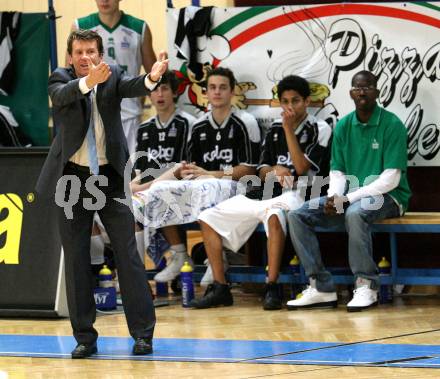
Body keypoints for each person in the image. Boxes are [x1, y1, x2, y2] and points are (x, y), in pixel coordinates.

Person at [36, 29, 168, 358]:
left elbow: (131, 86)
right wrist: (87, 83)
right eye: (79, 52)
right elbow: (62, 96)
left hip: (109, 177)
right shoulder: (60, 79)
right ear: (70, 57)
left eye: (91, 51)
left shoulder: (113, 76)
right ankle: (85, 338)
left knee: (128, 254)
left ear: (100, 54)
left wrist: (151, 79)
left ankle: (142, 334)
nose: (85, 57)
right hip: (72, 179)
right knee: (78, 259)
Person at [190, 75, 332, 310]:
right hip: (266, 191)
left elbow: (301, 167)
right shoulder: (274, 128)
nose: (289, 107)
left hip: (302, 193)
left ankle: (272, 285)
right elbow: (261, 168)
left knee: (274, 215)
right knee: (208, 218)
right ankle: (221, 286)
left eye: (295, 101)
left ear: (307, 102)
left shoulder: (320, 128)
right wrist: (273, 170)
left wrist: (288, 130)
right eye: (285, 101)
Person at [287, 70, 411, 312]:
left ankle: (367, 285)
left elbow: (391, 179)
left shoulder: (392, 124)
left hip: (390, 197)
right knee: (297, 214)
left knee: (355, 212)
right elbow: (338, 172)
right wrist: (334, 196)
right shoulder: (344, 125)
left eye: (367, 87)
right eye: (357, 87)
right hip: (349, 196)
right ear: (351, 93)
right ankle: (321, 287)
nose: (362, 91)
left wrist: (348, 198)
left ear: (377, 91)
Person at [138, 67, 261, 282]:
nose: (217, 92)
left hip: (238, 186)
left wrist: (212, 174)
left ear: (232, 92)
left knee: (209, 187)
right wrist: (195, 174)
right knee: (160, 189)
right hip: (205, 184)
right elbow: (191, 166)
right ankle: (179, 255)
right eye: (212, 87)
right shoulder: (199, 126)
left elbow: (250, 170)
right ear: (205, 92)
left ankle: (217, 258)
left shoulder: (245, 121)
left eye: (223, 87)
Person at [91, 70, 195, 268]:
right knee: (109, 205)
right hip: (149, 189)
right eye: (154, 90)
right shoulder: (145, 128)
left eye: (165, 89)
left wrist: (141, 187)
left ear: (174, 93)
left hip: (179, 188)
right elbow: (139, 170)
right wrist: (130, 186)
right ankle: (110, 266)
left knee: (152, 198)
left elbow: (186, 169)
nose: (159, 95)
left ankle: (172, 256)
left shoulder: (189, 123)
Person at [69, 0, 157, 155]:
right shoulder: (80, 26)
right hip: (92, 117)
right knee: (96, 177)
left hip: (128, 117)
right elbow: (70, 78)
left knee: (129, 176)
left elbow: (154, 76)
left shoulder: (139, 28)